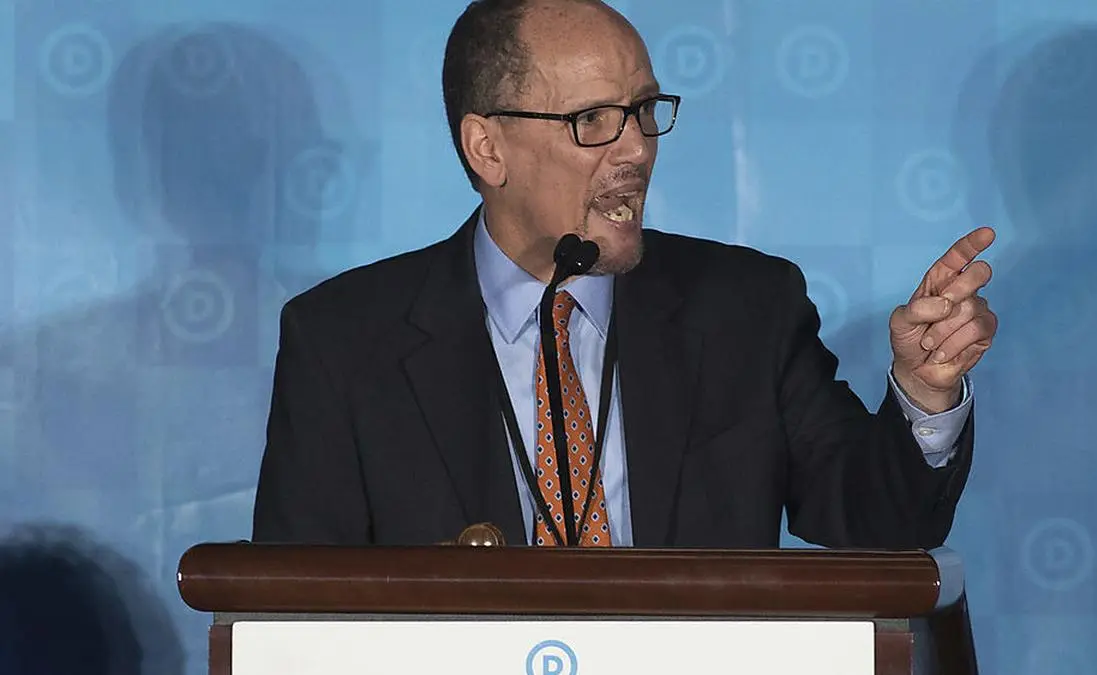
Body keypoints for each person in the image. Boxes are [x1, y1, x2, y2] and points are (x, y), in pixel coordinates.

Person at [250, 0, 998, 549]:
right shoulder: (342, 342)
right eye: (593, 121)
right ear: (488, 149)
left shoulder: (747, 309)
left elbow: (878, 520)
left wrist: (924, 392)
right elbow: (292, 609)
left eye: (643, 111)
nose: (637, 148)